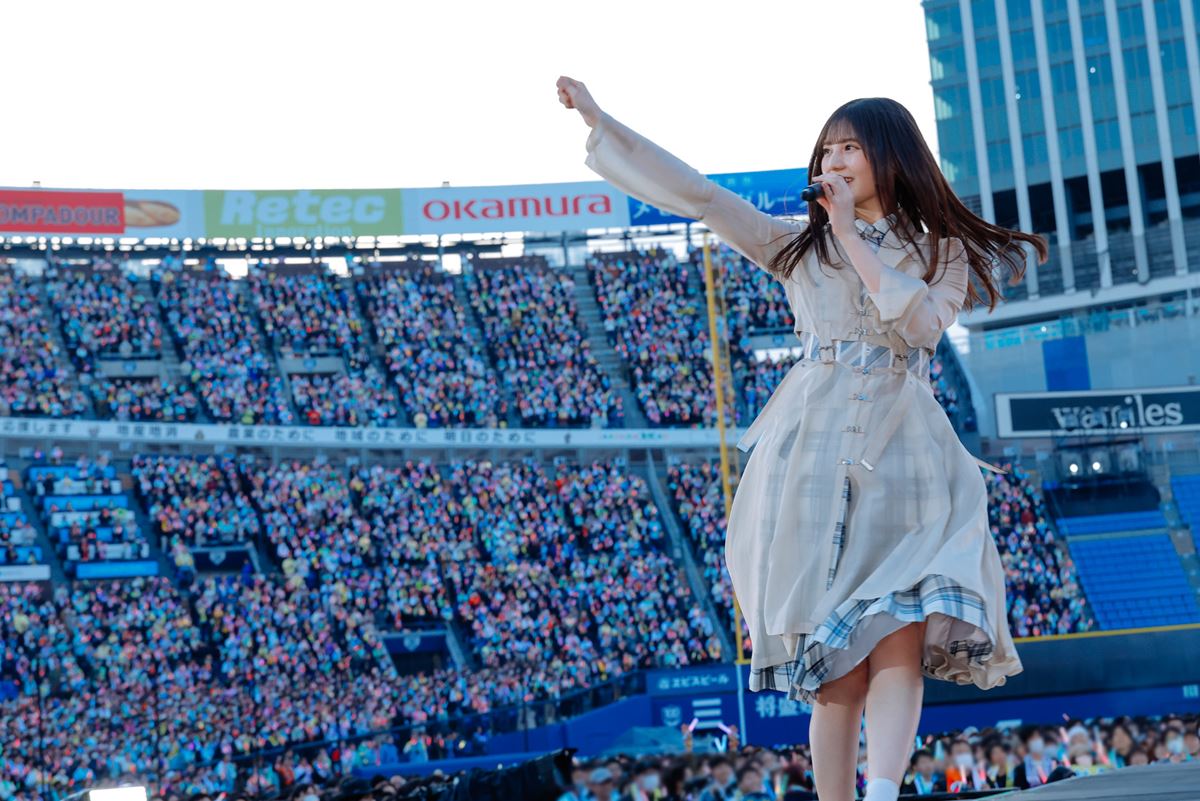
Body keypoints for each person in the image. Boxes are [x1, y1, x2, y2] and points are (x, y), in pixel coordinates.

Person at [557, 76, 1043, 801]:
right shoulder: (793, 245)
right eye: (828, 149)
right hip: (813, 453)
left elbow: (917, 326)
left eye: (851, 147)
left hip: (906, 452)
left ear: (890, 156)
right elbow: (702, 197)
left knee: (899, 632)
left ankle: (883, 790)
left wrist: (849, 234)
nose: (834, 160)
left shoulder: (940, 252)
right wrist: (604, 125)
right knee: (836, 667)